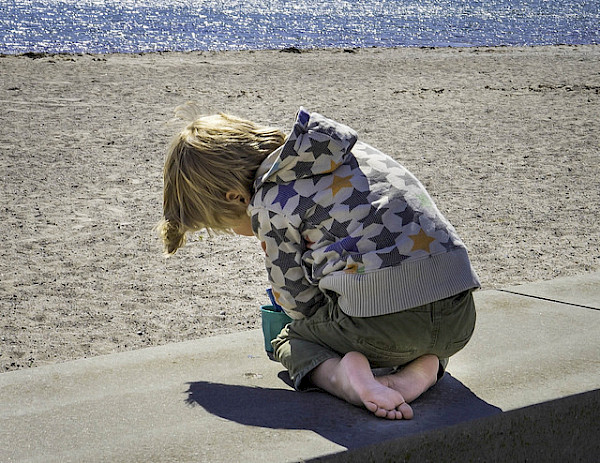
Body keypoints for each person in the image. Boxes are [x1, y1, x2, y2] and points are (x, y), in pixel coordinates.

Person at [158, 107, 480, 420]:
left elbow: (300, 306)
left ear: (236, 198)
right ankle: (424, 370)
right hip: (459, 315)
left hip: (384, 327)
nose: (236, 231)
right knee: (422, 320)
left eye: (228, 225)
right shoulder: (338, 151)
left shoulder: (268, 202)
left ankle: (345, 379)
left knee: (290, 338)